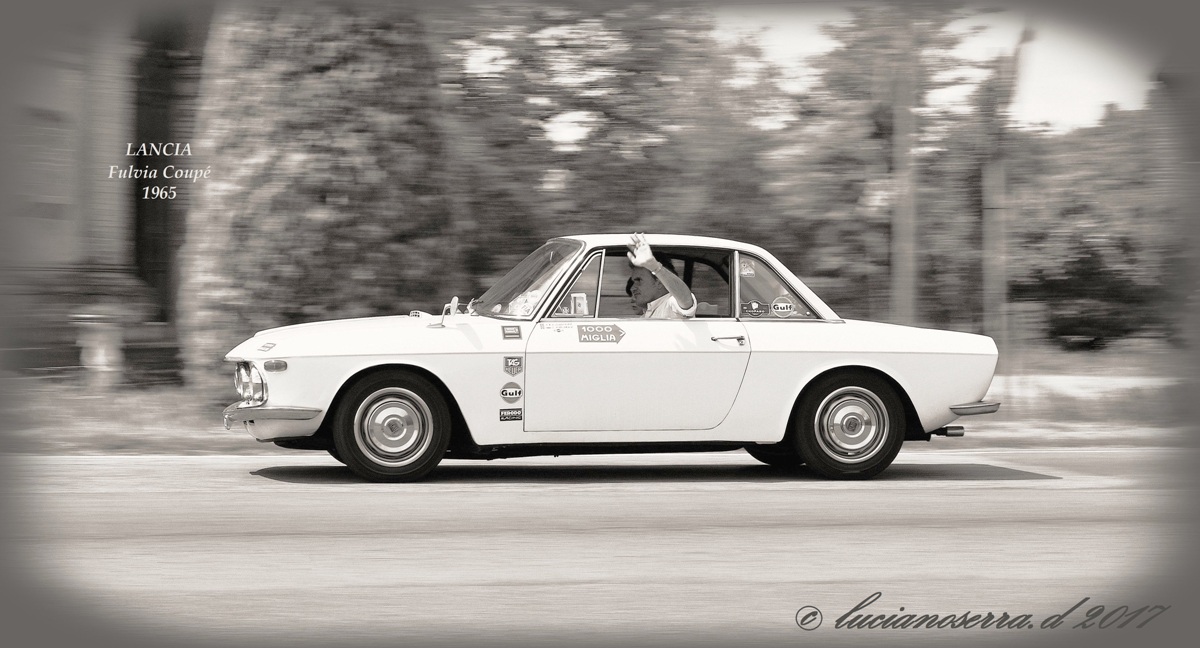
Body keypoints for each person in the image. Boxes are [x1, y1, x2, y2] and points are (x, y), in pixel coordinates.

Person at [625, 233, 696, 319]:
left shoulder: (670, 306)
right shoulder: (647, 314)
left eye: (639, 280)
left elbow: (686, 300)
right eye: (634, 282)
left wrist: (655, 267)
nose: (632, 288)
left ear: (659, 282)